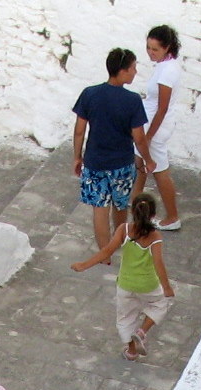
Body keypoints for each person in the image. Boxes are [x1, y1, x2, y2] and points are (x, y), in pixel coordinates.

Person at [73, 195, 174, 361]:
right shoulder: (155, 237)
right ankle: (142, 331)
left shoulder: (124, 230)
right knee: (160, 304)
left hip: (125, 285)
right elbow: (158, 263)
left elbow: (107, 251)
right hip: (148, 285)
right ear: (153, 215)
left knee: (126, 319)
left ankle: (131, 352)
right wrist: (167, 287)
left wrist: (84, 265)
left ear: (132, 212)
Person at [72, 49, 150, 254]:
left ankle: (104, 253)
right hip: (121, 164)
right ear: (122, 71)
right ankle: (120, 242)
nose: (135, 72)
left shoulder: (89, 94)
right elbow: (139, 138)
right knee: (120, 205)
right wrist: (148, 159)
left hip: (94, 162)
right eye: (133, 68)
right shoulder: (132, 100)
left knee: (100, 208)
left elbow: (79, 130)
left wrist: (77, 157)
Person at [137, 26, 183, 230]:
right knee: (139, 164)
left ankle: (172, 217)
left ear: (167, 48)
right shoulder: (164, 65)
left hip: (155, 127)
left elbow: (162, 108)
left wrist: (148, 137)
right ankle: (134, 203)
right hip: (148, 123)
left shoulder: (168, 70)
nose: (150, 52)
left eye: (155, 49)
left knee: (158, 169)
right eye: (148, 47)